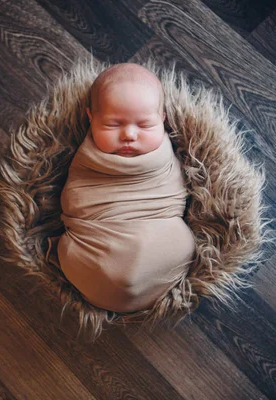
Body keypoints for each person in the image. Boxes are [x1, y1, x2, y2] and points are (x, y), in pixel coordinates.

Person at [56, 63, 196, 313]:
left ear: (162, 118)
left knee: (181, 241)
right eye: (112, 124)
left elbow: (176, 189)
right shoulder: (87, 160)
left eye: (144, 125)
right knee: (70, 249)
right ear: (91, 118)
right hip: (94, 251)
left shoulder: (164, 156)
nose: (129, 135)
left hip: (160, 239)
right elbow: (75, 197)